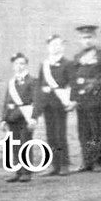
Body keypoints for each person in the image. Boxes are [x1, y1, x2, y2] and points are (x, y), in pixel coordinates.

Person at [72, 24, 101, 172]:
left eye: (89, 37)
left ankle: (97, 162)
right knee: (83, 131)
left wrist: (96, 85)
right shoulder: (77, 57)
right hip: (82, 100)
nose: (87, 40)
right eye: (84, 38)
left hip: (96, 99)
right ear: (80, 40)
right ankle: (86, 161)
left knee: (95, 130)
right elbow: (74, 78)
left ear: (94, 38)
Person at [34, 34, 74, 176]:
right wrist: (38, 106)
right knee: (50, 135)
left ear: (62, 46)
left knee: (60, 134)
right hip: (47, 105)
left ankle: (64, 164)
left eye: (58, 44)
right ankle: (54, 165)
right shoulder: (44, 65)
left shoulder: (67, 64)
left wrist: (70, 101)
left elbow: (71, 83)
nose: (55, 47)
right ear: (48, 47)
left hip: (59, 103)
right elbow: (39, 86)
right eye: (52, 45)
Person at [0, 52, 38, 183]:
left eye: (22, 63)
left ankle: (26, 172)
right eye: (16, 64)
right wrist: (3, 119)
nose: (19, 66)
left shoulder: (32, 81)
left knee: (25, 143)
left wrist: (33, 118)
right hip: (12, 117)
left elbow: (36, 101)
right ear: (13, 66)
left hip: (25, 117)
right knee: (15, 144)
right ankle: (18, 171)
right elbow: (5, 102)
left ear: (26, 65)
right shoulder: (11, 82)